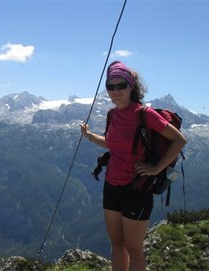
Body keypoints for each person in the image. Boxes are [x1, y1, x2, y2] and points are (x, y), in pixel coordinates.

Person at [80, 61, 186, 271]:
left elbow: (179, 140)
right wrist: (90, 136)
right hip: (111, 186)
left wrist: (156, 168)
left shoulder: (144, 114)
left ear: (131, 87)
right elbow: (112, 143)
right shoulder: (112, 115)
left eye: (122, 85)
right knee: (117, 243)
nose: (116, 91)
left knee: (134, 248)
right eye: (111, 86)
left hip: (137, 188)